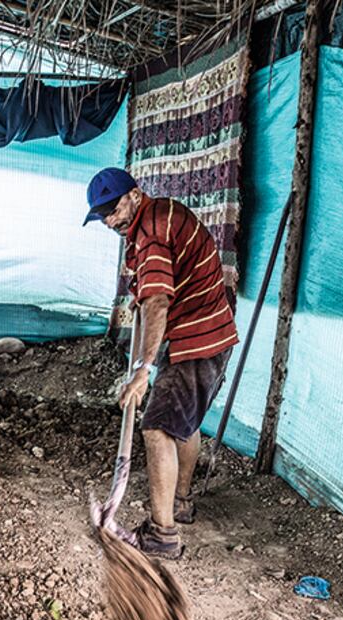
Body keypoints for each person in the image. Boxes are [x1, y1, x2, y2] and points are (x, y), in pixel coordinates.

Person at [83, 167, 239, 559]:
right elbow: (152, 293)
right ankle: (181, 502)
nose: (109, 221)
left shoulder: (150, 234)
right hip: (210, 335)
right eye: (101, 215)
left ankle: (162, 536)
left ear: (134, 194)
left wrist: (142, 370)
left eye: (112, 209)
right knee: (183, 424)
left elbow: (157, 302)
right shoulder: (159, 215)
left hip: (196, 340)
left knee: (156, 428)